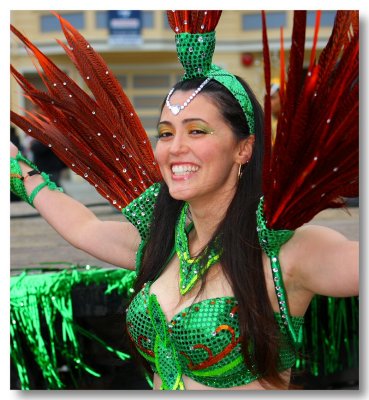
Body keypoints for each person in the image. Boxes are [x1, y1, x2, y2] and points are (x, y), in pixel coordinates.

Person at [10, 10, 358, 390]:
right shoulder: (162, 244)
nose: (175, 149)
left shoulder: (285, 254)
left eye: (197, 131)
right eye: (165, 133)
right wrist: (15, 169)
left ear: (244, 148)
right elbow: (84, 226)